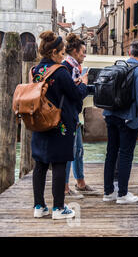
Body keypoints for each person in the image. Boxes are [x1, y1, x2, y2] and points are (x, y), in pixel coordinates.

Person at [31, 31, 88, 220]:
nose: (63, 56)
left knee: (40, 164)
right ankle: (58, 208)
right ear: (54, 52)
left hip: (39, 121)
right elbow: (75, 94)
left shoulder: (35, 70)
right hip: (59, 124)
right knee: (59, 163)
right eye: (62, 53)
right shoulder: (61, 71)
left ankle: (39, 206)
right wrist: (83, 84)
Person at [103, 40, 138, 204]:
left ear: (129, 53)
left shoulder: (118, 66)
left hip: (111, 115)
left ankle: (108, 192)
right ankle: (122, 194)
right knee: (125, 154)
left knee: (111, 153)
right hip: (128, 118)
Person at [63, 33, 97, 199]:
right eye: (83, 51)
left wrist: (93, 87)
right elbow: (75, 95)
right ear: (75, 52)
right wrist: (84, 84)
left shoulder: (74, 68)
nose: (85, 54)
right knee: (69, 152)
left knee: (78, 151)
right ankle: (65, 188)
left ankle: (81, 183)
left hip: (74, 116)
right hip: (67, 116)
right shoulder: (68, 68)